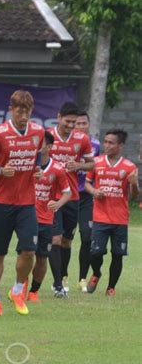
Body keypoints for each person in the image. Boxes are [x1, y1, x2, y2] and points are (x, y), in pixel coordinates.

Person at [0, 90, 45, 316]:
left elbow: (36, 158)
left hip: (27, 202)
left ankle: (17, 290)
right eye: (19, 111)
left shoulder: (38, 132)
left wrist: (37, 170)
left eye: (27, 111)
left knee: (29, 251)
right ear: (11, 110)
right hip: (2, 203)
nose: (23, 116)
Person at [85, 129, 139, 296]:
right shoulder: (96, 162)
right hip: (100, 217)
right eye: (105, 141)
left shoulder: (129, 167)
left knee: (117, 255)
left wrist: (135, 184)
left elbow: (134, 196)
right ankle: (96, 273)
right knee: (95, 252)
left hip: (120, 219)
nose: (106, 145)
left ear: (120, 145)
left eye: (111, 143)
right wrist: (94, 192)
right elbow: (87, 183)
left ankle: (111, 288)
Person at [48, 102, 94, 296]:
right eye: (67, 121)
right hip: (50, 196)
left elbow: (92, 164)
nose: (70, 125)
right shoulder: (47, 136)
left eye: (74, 122)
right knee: (55, 239)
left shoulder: (81, 139)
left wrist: (78, 166)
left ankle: (63, 276)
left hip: (72, 197)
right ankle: (58, 283)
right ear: (59, 117)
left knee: (67, 241)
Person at [26, 131, 71, 302]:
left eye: (40, 143)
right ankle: (21, 286)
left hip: (46, 219)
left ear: (49, 147)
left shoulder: (58, 169)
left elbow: (67, 192)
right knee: (26, 253)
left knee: (42, 257)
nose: (36, 146)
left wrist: (58, 204)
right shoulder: (28, 164)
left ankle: (34, 291)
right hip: (27, 217)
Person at [74, 111, 101, 292]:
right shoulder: (67, 143)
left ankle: (83, 278)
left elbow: (97, 169)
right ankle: (61, 279)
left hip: (86, 197)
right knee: (62, 239)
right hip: (66, 196)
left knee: (87, 237)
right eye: (78, 124)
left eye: (84, 123)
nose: (82, 127)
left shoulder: (96, 145)